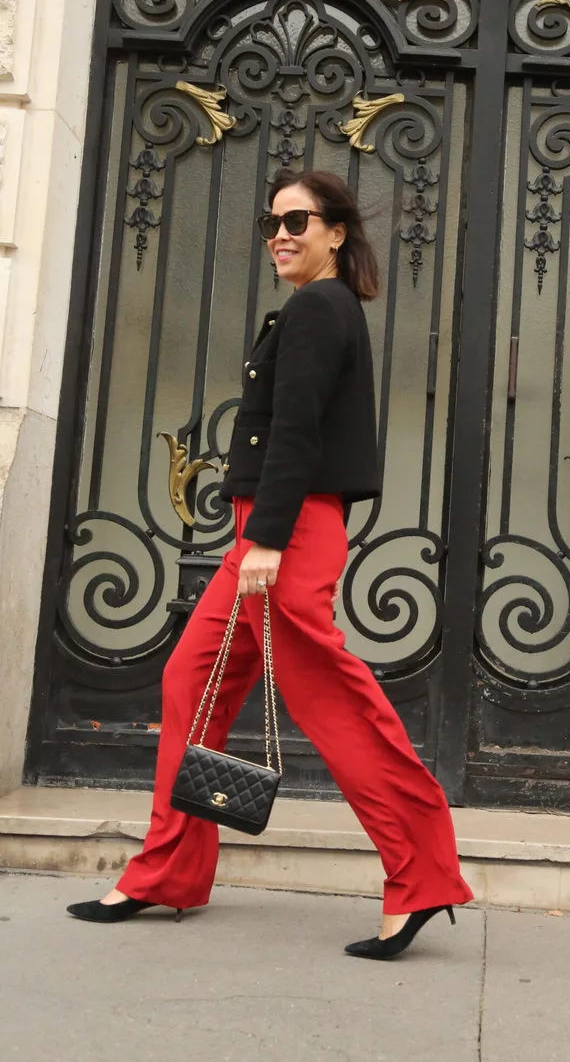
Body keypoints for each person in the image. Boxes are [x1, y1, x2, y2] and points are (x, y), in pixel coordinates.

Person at [66, 168, 473, 958]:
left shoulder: (322, 307)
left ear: (335, 233)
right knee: (190, 677)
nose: (280, 234)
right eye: (271, 222)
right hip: (268, 531)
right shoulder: (311, 307)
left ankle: (419, 875)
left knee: (334, 704)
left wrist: (268, 541)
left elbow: (296, 433)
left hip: (288, 533)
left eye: (297, 220)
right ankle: (166, 872)